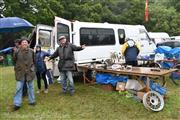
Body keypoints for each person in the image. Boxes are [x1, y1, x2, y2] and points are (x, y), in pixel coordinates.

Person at [13, 38, 36, 111]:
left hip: (30, 72)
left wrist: (32, 68)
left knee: (31, 87)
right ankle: (17, 104)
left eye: (26, 42)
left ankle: (32, 101)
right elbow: (14, 60)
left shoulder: (32, 51)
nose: (24, 43)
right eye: (23, 42)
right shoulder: (16, 51)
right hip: (20, 73)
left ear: (28, 44)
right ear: (20, 44)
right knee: (18, 88)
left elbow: (34, 60)